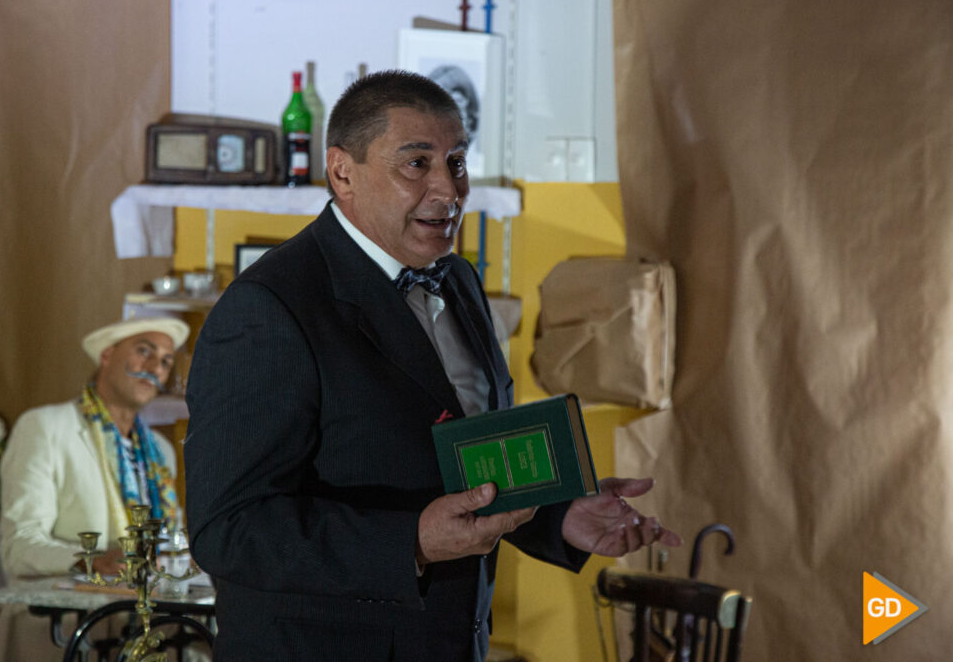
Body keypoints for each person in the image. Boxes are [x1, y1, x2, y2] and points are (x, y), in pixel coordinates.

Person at [184, 70, 680, 662]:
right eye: (416, 164)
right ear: (342, 172)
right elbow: (229, 530)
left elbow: (464, 462)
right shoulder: (269, 309)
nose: (449, 189)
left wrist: (557, 514)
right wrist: (412, 542)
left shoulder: (462, 280)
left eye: (457, 162)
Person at [0, 316, 188, 662]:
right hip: (60, 630)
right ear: (106, 355)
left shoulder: (160, 452)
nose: (155, 367)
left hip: (143, 627)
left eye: (166, 361)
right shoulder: (45, 427)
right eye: (144, 351)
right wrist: (94, 561)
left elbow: (173, 543)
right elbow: (19, 548)